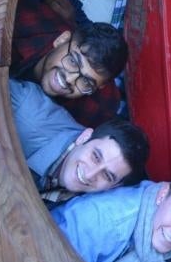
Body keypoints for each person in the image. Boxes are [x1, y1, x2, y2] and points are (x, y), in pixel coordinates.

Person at [9, 78, 149, 204]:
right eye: (96, 156)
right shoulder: (24, 109)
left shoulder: (88, 205)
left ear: (113, 187)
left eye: (107, 175)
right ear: (84, 137)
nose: (89, 175)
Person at [10, 23, 127, 103]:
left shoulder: (97, 109)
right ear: (62, 40)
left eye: (86, 81)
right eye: (73, 61)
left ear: (100, 87)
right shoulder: (16, 28)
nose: (69, 80)